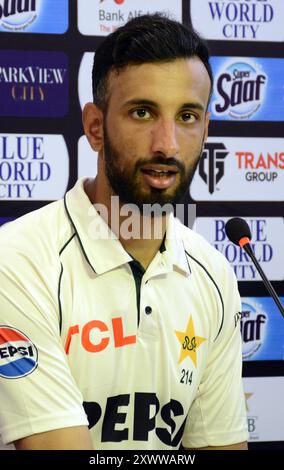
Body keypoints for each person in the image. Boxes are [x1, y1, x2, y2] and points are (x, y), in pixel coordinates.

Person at [0, 14, 248, 450]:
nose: (167, 144)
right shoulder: (16, 260)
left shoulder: (214, 272)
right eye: (142, 112)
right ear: (95, 127)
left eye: (187, 116)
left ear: (206, 130)